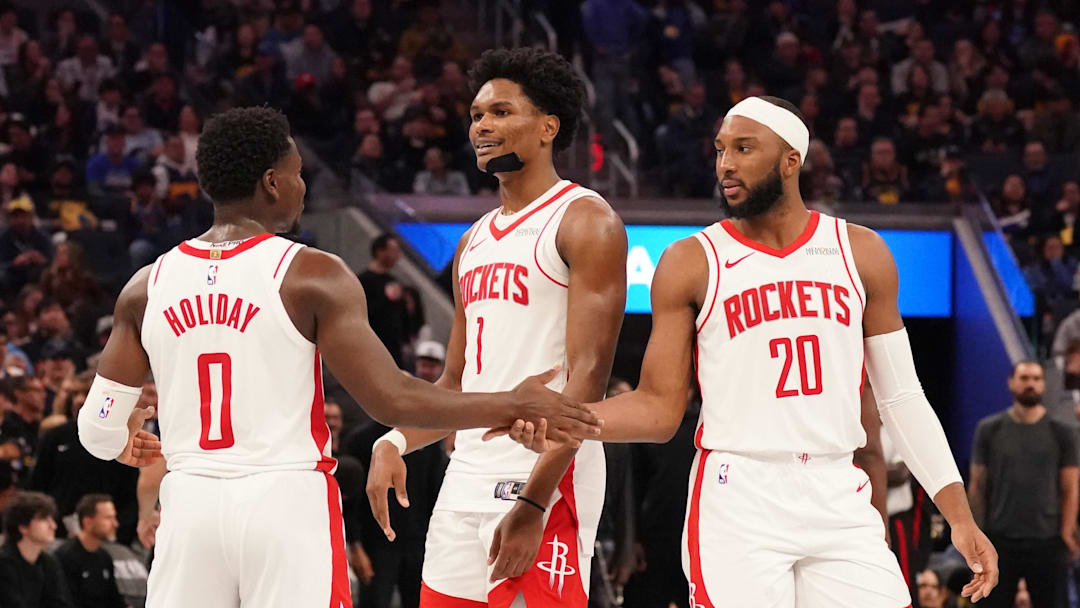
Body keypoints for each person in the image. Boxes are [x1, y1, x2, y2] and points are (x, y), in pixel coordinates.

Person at [75, 105, 600, 608]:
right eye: (297, 173)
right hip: (284, 502)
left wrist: (122, 439)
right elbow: (394, 400)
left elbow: (95, 434)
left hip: (189, 504)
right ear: (272, 182)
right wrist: (513, 403)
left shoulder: (146, 286)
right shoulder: (311, 274)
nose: (304, 186)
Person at [501, 95, 1000, 606]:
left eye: (744, 148)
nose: (726, 164)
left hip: (836, 487)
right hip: (739, 491)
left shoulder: (861, 252)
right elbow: (657, 406)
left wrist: (959, 518)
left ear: (791, 160)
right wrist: (569, 419)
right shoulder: (693, 260)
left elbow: (902, 398)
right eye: (720, 150)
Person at [366, 47, 626, 607]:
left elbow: (587, 380)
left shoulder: (586, 220)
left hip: (546, 475)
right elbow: (454, 384)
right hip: (466, 474)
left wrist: (534, 503)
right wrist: (395, 441)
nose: (482, 126)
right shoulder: (472, 241)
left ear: (547, 128)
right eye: (477, 115)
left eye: (501, 112)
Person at [968, 361, 1077, 608]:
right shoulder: (989, 430)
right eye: (1025, 378)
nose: (1031, 384)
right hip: (999, 540)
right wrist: (977, 533)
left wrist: (1067, 534)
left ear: (1044, 385)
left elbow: (1070, 487)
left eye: (1037, 379)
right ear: (1011, 383)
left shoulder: (1062, 433)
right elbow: (977, 486)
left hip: (1047, 541)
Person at [0, 491, 73, 607]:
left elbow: (59, 602)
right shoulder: (4, 563)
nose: (53, 526)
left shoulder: (49, 562)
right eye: (44, 519)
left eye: (52, 519)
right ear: (23, 527)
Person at [55, 494, 126, 608]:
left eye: (114, 517)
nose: (115, 524)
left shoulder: (104, 557)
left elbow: (114, 598)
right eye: (108, 518)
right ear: (88, 522)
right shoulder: (65, 556)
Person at [358, 234, 409, 365]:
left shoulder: (393, 280)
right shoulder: (363, 280)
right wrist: (386, 298)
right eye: (393, 250)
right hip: (373, 345)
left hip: (394, 347)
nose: (397, 255)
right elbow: (361, 312)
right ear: (380, 251)